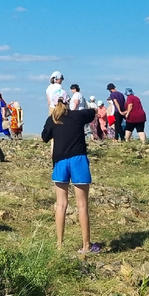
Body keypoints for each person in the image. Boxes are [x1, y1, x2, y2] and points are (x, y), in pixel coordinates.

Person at [41, 94, 99, 254]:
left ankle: (59, 245)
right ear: (67, 102)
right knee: (82, 205)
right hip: (78, 159)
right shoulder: (77, 116)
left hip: (60, 161)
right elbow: (92, 112)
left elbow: (44, 137)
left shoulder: (51, 119)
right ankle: (86, 246)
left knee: (61, 204)